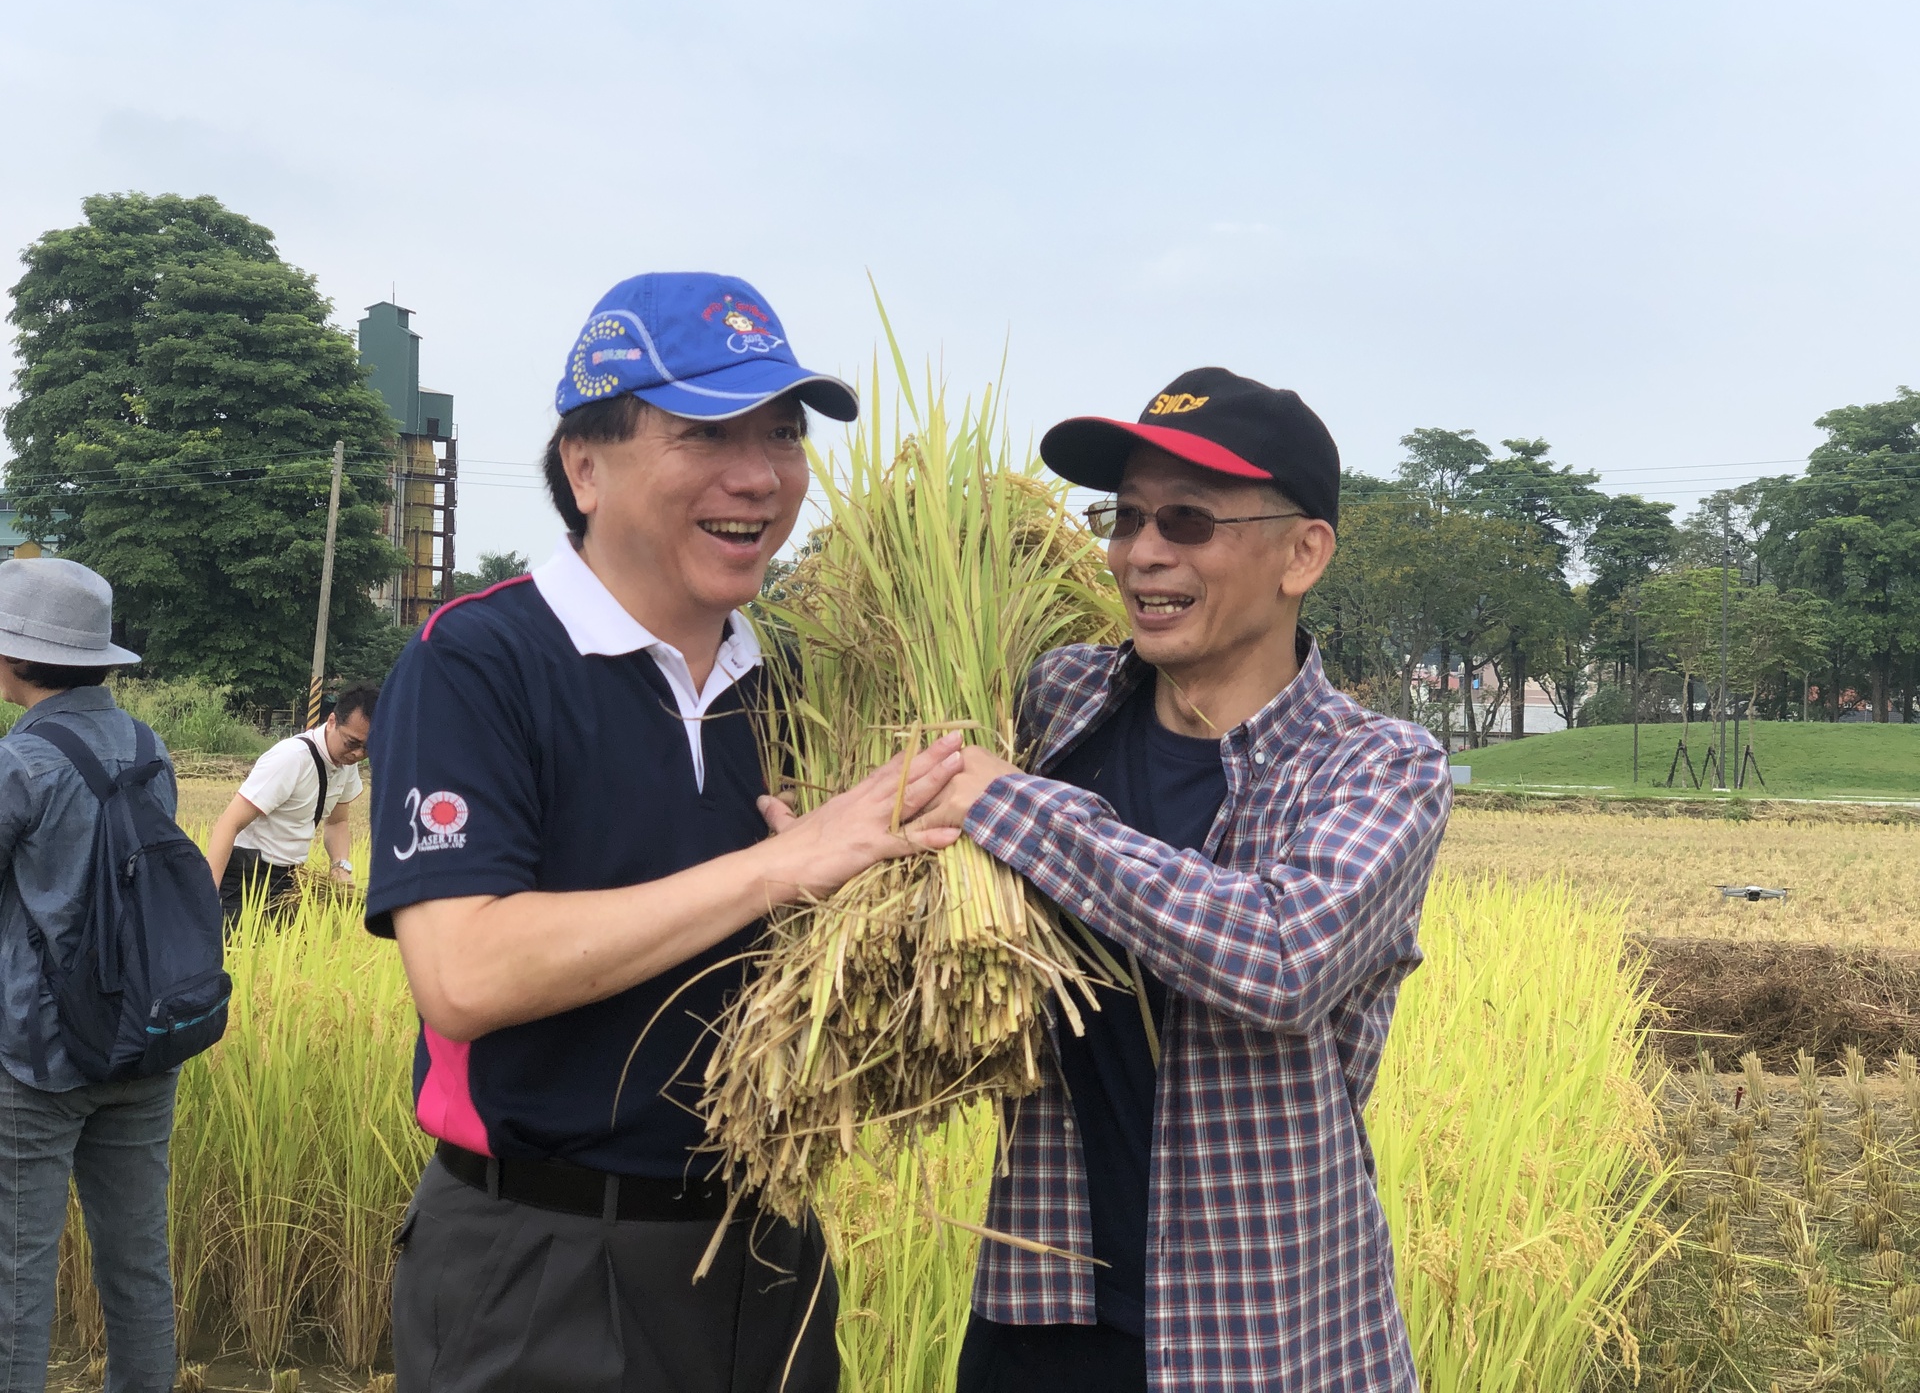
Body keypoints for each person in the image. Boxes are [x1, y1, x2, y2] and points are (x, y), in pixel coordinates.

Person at [366, 272, 966, 1393]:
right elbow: (463, 972)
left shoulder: (797, 684)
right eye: (703, 432)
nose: (759, 475)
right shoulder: (478, 664)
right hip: (538, 1260)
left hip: (766, 1247)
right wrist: (781, 865)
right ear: (584, 467)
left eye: (783, 435)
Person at [911, 369, 1453, 1392]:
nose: (1142, 553)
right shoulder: (1056, 704)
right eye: (1127, 519)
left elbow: (1283, 956)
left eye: (1191, 522)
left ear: (1304, 553)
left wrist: (1009, 804)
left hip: (1266, 1335)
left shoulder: (1380, 765)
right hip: (1043, 1308)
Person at [0, 559, 179, 1393]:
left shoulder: (22, 762)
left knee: (17, 1275)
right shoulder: (151, 747)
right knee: (139, 1267)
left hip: (36, 1057)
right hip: (143, 1040)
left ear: (16, 660)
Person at [205, 682, 377, 918]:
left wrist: (340, 865)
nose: (358, 754)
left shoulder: (346, 764)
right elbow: (229, 823)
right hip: (245, 877)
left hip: (289, 880)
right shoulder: (291, 759)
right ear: (332, 722)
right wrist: (206, 897)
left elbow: (338, 822)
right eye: (352, 743)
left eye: (368, 748)